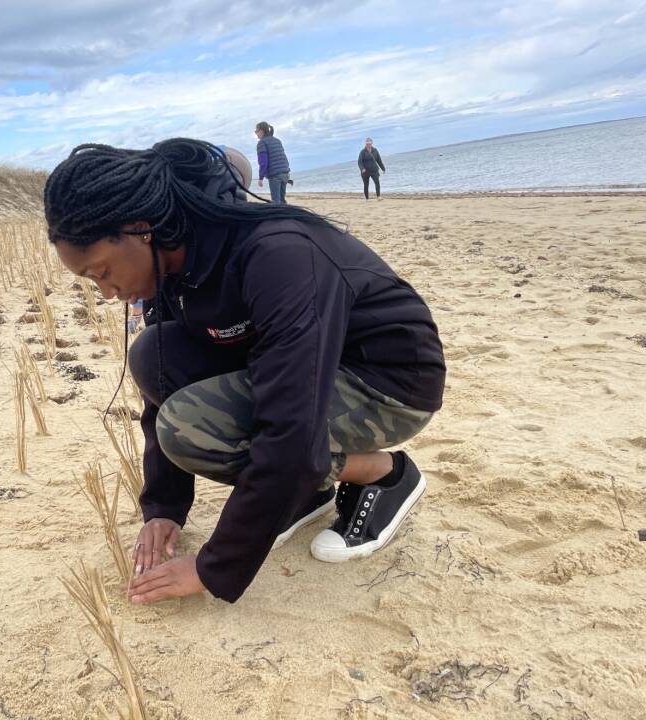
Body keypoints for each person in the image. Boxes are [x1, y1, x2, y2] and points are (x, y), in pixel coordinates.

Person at [44, 138, 446, 605]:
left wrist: (212, 566)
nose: (108, 293)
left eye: (102, 272)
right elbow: (163, 385)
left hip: (388, 382)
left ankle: (387, 474)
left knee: (190, 432)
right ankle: (304, 493)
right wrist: (164, 508)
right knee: (154, 351)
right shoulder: (174, 264)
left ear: (139, 229)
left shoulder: (277, 254)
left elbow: (291, 428)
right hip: (302, 370)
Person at [254, 122, 291, 204]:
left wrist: (261, 177)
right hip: (285, 173)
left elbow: (263, 162)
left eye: (256, 131)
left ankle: (281, 216)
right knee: (282, 201)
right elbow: (283, 156)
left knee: (276, 202)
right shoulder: (277, 140)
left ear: (262, 131)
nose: (256, 133)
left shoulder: (262, 143)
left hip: (275, 175)